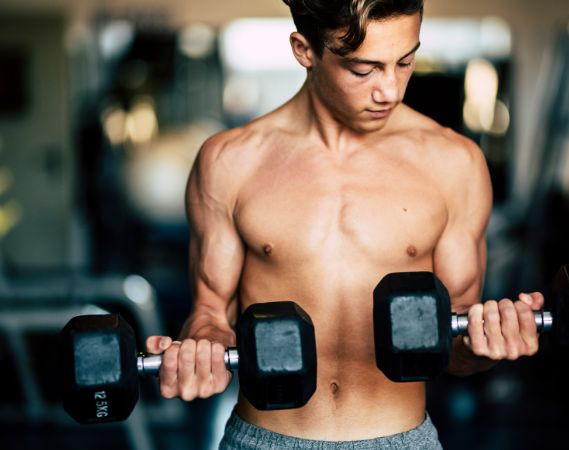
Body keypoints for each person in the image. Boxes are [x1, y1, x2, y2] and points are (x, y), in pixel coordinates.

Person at [146, 1, 545, 448]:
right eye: (364, 70)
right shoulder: (229, 162)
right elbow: (210, 314)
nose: (390, 91)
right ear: (304, 51)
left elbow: (457, 348)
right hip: (265, 439)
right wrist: (200, 350)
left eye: (405, 62)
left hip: (400, 439)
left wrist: (489, 336)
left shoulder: (454, 164)